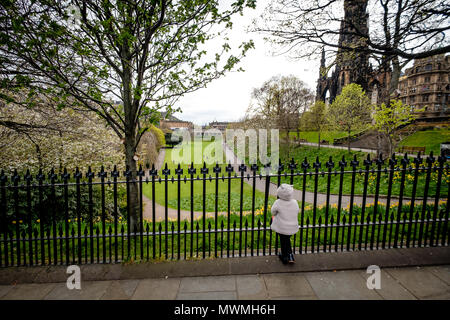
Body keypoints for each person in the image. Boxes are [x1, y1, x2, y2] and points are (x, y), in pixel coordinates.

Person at [270, 184, 299, 264]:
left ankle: (285, 257)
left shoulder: (278, 202)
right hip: (292, 226)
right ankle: (290, 255)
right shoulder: (294, 202)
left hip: (282, 227)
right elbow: (297, 211)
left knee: (283, 240)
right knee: (286, 239)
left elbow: (273, 212)